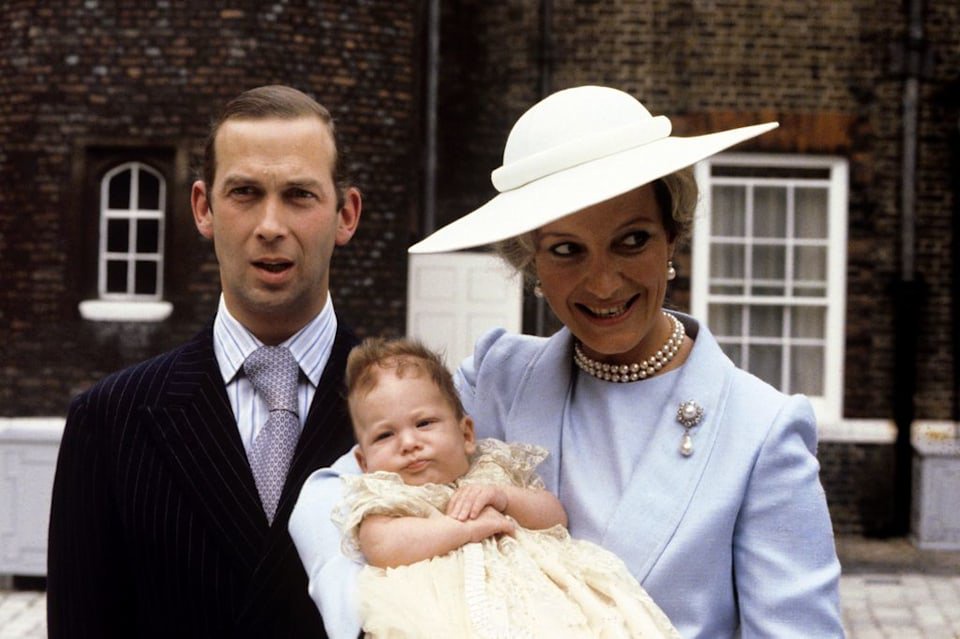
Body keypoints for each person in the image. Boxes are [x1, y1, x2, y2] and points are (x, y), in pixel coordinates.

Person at [290, 85, 844, 638]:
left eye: (632, 240)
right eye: (565, 250)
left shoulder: (761, 429)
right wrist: (390, 610)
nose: (602, 282)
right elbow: (329, 499)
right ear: (532, 262)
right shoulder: (498, 376)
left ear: (672, 236)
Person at [47, 85, 362, 638]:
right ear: (202, 208)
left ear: (346, 214)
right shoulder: (110, 421)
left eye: (298, 195)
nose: (270, 225)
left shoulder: (418, 414)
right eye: (244, 192)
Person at [335, 337, 681, 638]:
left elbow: (554, 516)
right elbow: (382, 545)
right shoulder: (389, 495)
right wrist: (466, 528)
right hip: (445, 610)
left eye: (424, 423)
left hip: (538, 600)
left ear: (467, 434)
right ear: (364, 463)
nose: (409, 443)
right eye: (385, 435)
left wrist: (504, 498)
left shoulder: (492, 470)